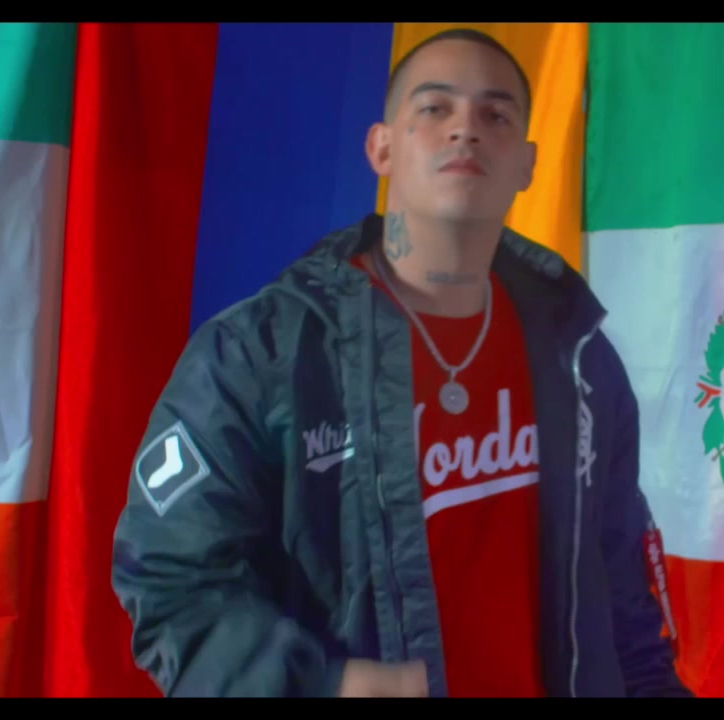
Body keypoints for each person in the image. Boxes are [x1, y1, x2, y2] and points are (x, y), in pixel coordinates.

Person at [109, 28, 692, 698]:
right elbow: (168, 577)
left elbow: (623, 595)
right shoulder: (262, 352)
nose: (465, 130)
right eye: (435, 108)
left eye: (495, 115)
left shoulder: (579, 355)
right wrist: (327, 685)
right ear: (381, 147)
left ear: (527, 164)